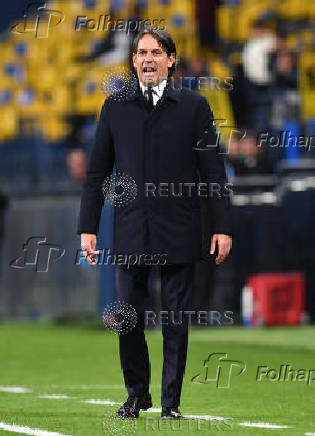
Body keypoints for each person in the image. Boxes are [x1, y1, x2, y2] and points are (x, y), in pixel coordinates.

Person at [77, 28, 232, 420]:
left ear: (171, 60)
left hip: (180, 228)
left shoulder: (195, 107)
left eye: (156, 52)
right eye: (141, 52)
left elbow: (213, 173)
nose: (148, 58)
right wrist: (88, 227)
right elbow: (97, 173)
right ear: (133, 61)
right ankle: (136, 394)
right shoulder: (115, 106)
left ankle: (171, 403)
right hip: (130, 229)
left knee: (175, 320)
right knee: (128, 316)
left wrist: (222, 226)